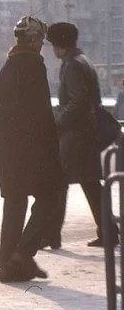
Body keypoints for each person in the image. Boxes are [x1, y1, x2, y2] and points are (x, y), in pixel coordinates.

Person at [0, 16, 63, 282]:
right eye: (41, 40)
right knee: (50, 198)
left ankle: (7, 265)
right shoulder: (33, 65)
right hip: (32, 148)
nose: (42, 45)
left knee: (14, 202)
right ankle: (22, 255)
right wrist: (52, 149)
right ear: (33, 40)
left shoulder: (8, 65)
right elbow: (41, 113)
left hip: (6, 147)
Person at [47, 21, 116, 248]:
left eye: (53, 44)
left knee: (58, 183)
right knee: (91, 185)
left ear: (61, 44)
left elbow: (77, 102)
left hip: (75, 136)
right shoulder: (82, 60)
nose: (52, 49)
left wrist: (57, 121)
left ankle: (51, 235)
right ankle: (108, 232)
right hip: (87, 134)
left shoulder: (73, 65)